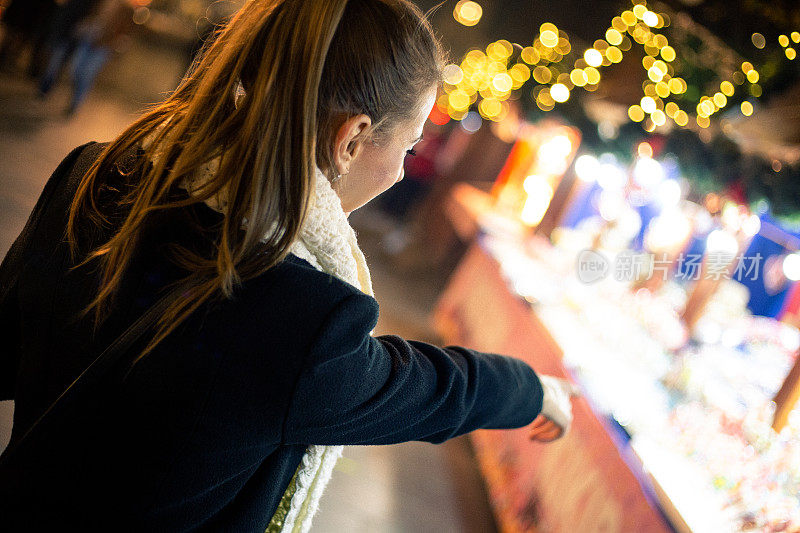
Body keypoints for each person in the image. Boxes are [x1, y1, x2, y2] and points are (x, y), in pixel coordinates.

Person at [0, 0, 577, 531]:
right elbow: (427, 390)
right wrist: (530, 390)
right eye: (406, 147)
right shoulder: (299, 317)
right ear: (351, 138)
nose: (402, 172)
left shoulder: (95, 175)